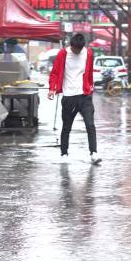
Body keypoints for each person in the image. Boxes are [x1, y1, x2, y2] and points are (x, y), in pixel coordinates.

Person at [47, 33, 101, 165]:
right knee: (66, 127)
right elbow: (54, 72)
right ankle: (64, 153)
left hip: (84, 96)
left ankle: (93, 153)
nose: (77, 51)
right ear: (71, 46)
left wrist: (90, 87)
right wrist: (52, 88)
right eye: (75, 49)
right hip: (69, 96)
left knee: (90, 125)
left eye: (79, 49)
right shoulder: (63, 54)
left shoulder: (87, 53)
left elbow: (88, 72)